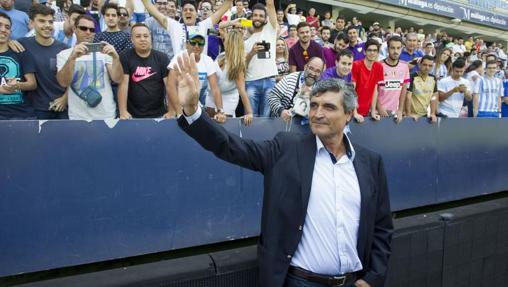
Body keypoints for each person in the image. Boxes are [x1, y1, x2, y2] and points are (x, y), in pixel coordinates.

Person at [175, 51, 393, 287]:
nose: (318, 114)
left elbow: (382, 227)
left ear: (349, 114)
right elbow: (230, 146)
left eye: (329, 107)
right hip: (298, 282)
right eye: (314, 106)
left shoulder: (370, 162)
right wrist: (192, 111)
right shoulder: (286, 149)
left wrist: (374, 277)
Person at [56, 15, 123, 120]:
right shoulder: (64, 54)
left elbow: (117, 79)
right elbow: (63, 82)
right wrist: (72, 58)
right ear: (74, 29)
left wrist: (116, 58)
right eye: (83, 28)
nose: (88, 32)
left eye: (92, 30)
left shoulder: (104, 52)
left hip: (106, 114)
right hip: (78, 116)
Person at [18, 4, 69, 119]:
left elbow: (75, 78)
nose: (47, 25)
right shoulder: (22, 44)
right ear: (31, 23)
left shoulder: (64, 48)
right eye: (42, 21)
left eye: (50, 22)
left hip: (62, 108)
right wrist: (10, 43)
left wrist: (65, 99)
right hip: (36, 109)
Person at [141, 0, 232, 56]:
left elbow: (224, 7)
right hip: (180, 74)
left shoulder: (204, 26)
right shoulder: (175, 26)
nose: (188, 12)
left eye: (191, 10)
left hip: (201, 75)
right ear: (181, 13)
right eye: (185, 10)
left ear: (197, 13)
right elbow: (154, 12)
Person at [167, 30, 222, 121]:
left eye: (200, 43)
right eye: (193, 42)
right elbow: (170, 86)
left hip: (197, 104)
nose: (197, 46)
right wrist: (178, 111)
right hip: (180, 102)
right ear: (187, 44)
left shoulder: (208, 60)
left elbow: (215, 88)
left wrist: (220, 110)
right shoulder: (178, 58)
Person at [118, 23, 170, 119]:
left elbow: (169, 86)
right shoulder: (125, 56)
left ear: (151, 38)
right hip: (132, 114)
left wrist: (171, 110)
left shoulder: (162, 58)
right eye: (138, 36)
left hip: (159, 113)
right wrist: (123, 111)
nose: (142, 39)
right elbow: (123, 84)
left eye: (146, 36)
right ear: (132, 39)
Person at [205, 29, 253, 124]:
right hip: (212, 94)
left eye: (227, 40)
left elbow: (242, 91)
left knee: (223, 125)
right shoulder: (220, 56)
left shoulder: (237, 65)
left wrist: (250, 113)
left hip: (228, 97)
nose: (225, 41)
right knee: (210, 125)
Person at [0, 11, 37, 120]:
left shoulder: (21, 52)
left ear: (10, 31)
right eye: (0, 25)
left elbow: (32, 84)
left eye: (7, 27)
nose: (3, 30)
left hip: (21, 114)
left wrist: (17, 85)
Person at [244, 0, 278, 117]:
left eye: (261, 16)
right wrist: (252, 53)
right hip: (251, 82)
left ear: (265, 19)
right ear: (251, 17)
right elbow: (243, 65)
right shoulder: (245, 40)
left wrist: (269, 4)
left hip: (269, 81)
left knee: (266, 119)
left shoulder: (271, 29)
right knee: (250, 119)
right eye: (255, 15)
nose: (258, 18)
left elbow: (270, 5)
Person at [268, 56, 324, 121]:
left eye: (317, 71)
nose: (313, 73)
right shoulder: (291, 78)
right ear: (305, 67)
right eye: (311, 68)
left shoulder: (321, 88)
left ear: (321, 74)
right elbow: (272, 96)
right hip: (282, 122)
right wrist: (281, 111)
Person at [377, 36, 409, 123]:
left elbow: (404, 90)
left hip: (394, 114)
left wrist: (400, 110)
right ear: (387, 49)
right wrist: (379, 107)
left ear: (402, 48)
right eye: (392, 48)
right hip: (378, 113)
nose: (395, 51)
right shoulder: (378, 66)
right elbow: (373, 90)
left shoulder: (404, 66)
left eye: (398, 48)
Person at [352, 39, 384, 122]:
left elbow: (375, 90)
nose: (372, 53)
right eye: (369, 50)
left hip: (366, 111)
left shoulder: (379, 67)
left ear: (377, 53)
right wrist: (354, 112)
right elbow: (351, 90)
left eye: (374, 50)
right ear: (364, 52)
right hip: (352, 111)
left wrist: (373, 111)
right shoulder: (356, 65)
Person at [405, 55, 438, 123]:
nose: (427, 68)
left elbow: (434, 96)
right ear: (420, 65)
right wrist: (408, 114)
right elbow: (408, 96)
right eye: (425, 65)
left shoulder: (433, 78)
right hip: (411, 116)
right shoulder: (412, 76)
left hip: (424, 115)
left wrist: (432, 113)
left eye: (430, 66)